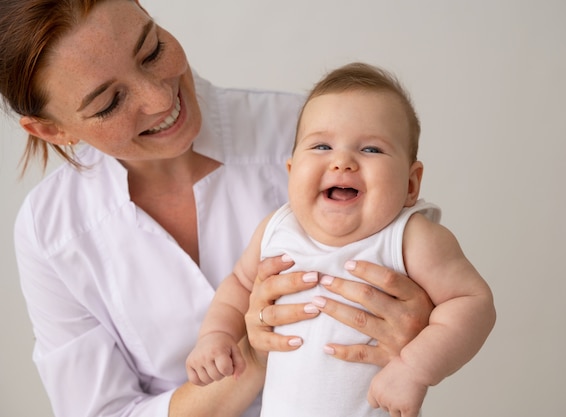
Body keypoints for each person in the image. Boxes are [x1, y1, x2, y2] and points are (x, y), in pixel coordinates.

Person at [0, 1, 437, 416]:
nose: (159, 99)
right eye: (109, 103)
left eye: (151, 51)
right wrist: (254, 354)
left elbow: (424, 292)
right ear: (51, 130)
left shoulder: (317, 136)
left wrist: (420, 327)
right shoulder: (52, 231)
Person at [186, 62, 496, 417]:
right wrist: (216, 336)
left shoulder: (409, 238)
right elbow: (239, 285)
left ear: (411, 184)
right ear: (290, 172)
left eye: (371, 150)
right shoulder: (277, 229)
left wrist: (414, 367)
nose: (342, 162)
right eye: (321, 146)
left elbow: (474, 302)